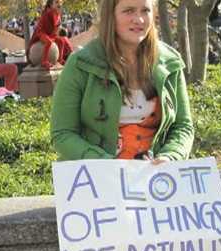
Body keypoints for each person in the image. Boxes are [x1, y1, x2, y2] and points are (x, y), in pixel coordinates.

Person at [51, 0, 194, 163]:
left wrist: (171, 156)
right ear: (110, 16)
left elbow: (183, 126)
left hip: (157, 179)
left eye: (145, 11)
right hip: (97, 178)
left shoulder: (170, 62)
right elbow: (62, 134)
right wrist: (106, 164)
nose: (139, 19)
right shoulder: (80, 64)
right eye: (129, 11)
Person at [27, 0, 65, 69]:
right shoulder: (48, 12)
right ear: (51, 5)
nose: (59, 4)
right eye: (56, 2)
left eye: (59, 2)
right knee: (48, 42)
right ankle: (44, 61)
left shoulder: (57, 13)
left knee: (61, 41)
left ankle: (60, 59)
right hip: (41, 33)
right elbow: (53, 25)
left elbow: (56, 28)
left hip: (50, 34)